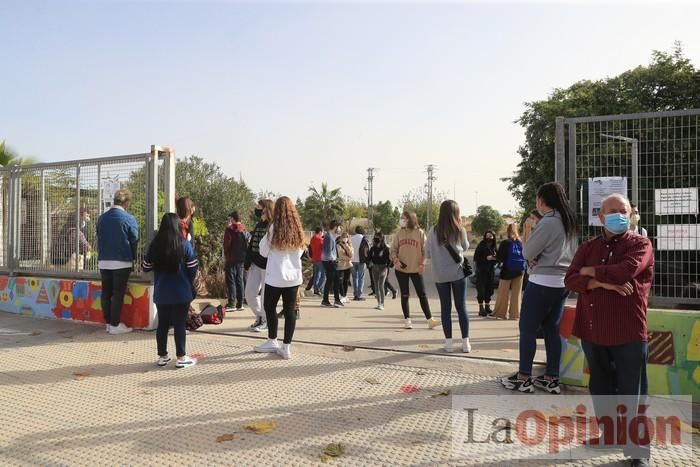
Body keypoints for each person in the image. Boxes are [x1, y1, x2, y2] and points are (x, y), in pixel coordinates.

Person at [565, 193, 653, 467]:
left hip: (627, 330)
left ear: (631, 214)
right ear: (601, 217)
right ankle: (610, 435)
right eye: (612, 211)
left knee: (632, 392)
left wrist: (592, 272)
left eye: (623, 211)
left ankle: (638, 453)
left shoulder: (641, 244)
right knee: (600, 386)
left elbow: (625, 272)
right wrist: (603, 283)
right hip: (593, 330)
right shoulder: (588, 246)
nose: (619, 215)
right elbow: (570, 279)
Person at [501, 182, 576, 395]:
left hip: (542, 281)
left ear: (542, 201)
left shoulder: (549, 221)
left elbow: (527, 252)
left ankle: (524, 377)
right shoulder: (569, 221)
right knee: (552, 329)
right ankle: (552, 378)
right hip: (562, 282)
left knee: (527, 329)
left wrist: (533, 253)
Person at [141, 213, 198, 368]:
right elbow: (193, 268)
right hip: (181, 292)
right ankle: (181, 357)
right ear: (177, 226)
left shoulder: (155, 245)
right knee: (179, 324)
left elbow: (145, 267)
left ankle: (162, 356)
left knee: (163, 324)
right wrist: (187, 280)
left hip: (161, 292)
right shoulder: (184, 245)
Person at [253, 196, 306, 359]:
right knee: (290, 310)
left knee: (269, 307)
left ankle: (272, 339)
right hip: (293, 278)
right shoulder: (298, 228)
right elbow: (302, 250)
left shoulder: (274, 227)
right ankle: (286, 347)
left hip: (275, 276)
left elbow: (263, 251)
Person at [426, 200, 471, 353]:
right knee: (461, 308)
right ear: (456, 213)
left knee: (445, 309)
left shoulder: (433, 231)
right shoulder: (459, 230)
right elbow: (465, 247)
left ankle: (449, 343)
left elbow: (428, 253)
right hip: (458, 273)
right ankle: (466, 343)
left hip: (440, 275)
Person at [96, 189, 138, 335]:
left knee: (106, 293)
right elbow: (134, 239)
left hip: (103, 261)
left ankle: (108, 323)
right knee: (117, 294)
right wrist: (133, 257)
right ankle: (115, 325)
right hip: (122, 261)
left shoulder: (101, 218)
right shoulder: (129, 219)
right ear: (126, 203)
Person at [390, 210, 438, 330]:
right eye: (401, 218)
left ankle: (430, 319)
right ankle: (407, 320)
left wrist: (422, 264)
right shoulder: (399, 233)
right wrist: (395, 260)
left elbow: (425, 251)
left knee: (422, 294)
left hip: (416, 269)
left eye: (404, 218)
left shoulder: (420, 233)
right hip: (401, 269)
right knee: (405, 295)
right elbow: (393, 250)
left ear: (410, 219)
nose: (401, 220)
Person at [245, 199, 274, 332]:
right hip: (255, 264)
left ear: (266, 209)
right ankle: (260, 316)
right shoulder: (259, 225)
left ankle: (266, 321)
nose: (257, 210)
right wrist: (247, 261)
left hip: (268, 266)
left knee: (264, 296)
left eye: (260, 208)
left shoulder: (274, 225)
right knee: (250, 293)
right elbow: (252, 245)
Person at [488, 223, 525, 320]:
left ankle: (500, 313)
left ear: (508, 231)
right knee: (516, 293)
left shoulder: (506, 243)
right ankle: (515, 314)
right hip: (520, 270)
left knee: (503, 292)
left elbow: (500, 257)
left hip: (507, 270)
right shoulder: (521, 243)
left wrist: (493, 257)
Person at [223, 210, 247, 312]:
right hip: (241, 259)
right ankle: (240, 303)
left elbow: (226, 244)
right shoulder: (244, 229)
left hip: (231, 258)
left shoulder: (229, 229)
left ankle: (231, 303)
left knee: (231, 280)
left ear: (232, 218)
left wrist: (226, 255)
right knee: (240, 280)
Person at [473, 230, 497, 317]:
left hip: (490, 271)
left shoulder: (494, 246)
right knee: (481, 290)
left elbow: (498, 256)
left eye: (491, 236)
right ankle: (481, 308)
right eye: (488, 236)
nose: (489, 238)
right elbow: (476, 258)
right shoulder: (481, 245)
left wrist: (495, 258)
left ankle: (487, 307)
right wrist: (486, 258)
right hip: (481, 271)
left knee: (489, 289)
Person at [321, 220, 343, 308]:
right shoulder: (329, 236)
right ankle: (334, 300)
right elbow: (328, 252)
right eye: (339, 227)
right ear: (335, 227)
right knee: (335, 280)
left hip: (329, 261)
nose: (340, 229)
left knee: (331, 280)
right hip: (329, 262)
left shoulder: (330, 236)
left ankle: (327, 300)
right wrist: (333, 260)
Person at [368, 232, 392, 310]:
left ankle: (382, 304)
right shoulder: (373, 248)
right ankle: (378, 303)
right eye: (375, 237)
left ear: (381, 239)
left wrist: (385, 269)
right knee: (376, 286)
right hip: (374, 268)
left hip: (383, 267)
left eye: (377, 237)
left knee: (381, 285)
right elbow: (369, 258)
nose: (375, 239)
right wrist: (369, 263)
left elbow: (389, 261)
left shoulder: (386, 249)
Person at [350, 226, 369, 300]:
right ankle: (359, 294)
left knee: (354, 278)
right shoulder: (364, 239)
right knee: (361, 278)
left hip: (352, 260)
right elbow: (367, 250)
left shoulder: (351, 238)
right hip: (361, 261)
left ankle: (355, 294)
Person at [336, 231, 353, 302]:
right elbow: (340, 255)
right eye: (343, 237)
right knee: (340, 280)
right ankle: (342, 294)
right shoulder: (338, 245)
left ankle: (345, 295)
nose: (344, 239)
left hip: (348, 265)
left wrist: (346, 246)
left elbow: (351, 254)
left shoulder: (350, 245)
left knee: (346, 281)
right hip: (340, 265)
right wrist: (348, 257)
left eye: (346, 237)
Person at [308, 227, 325, 295]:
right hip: (320, 259)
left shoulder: (312, 238)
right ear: (320, 231)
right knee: (323, 275)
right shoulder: (320, 239)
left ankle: (315, 289)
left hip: (314, 259)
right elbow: (324, 247)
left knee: (316, 275)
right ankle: (318, 289)